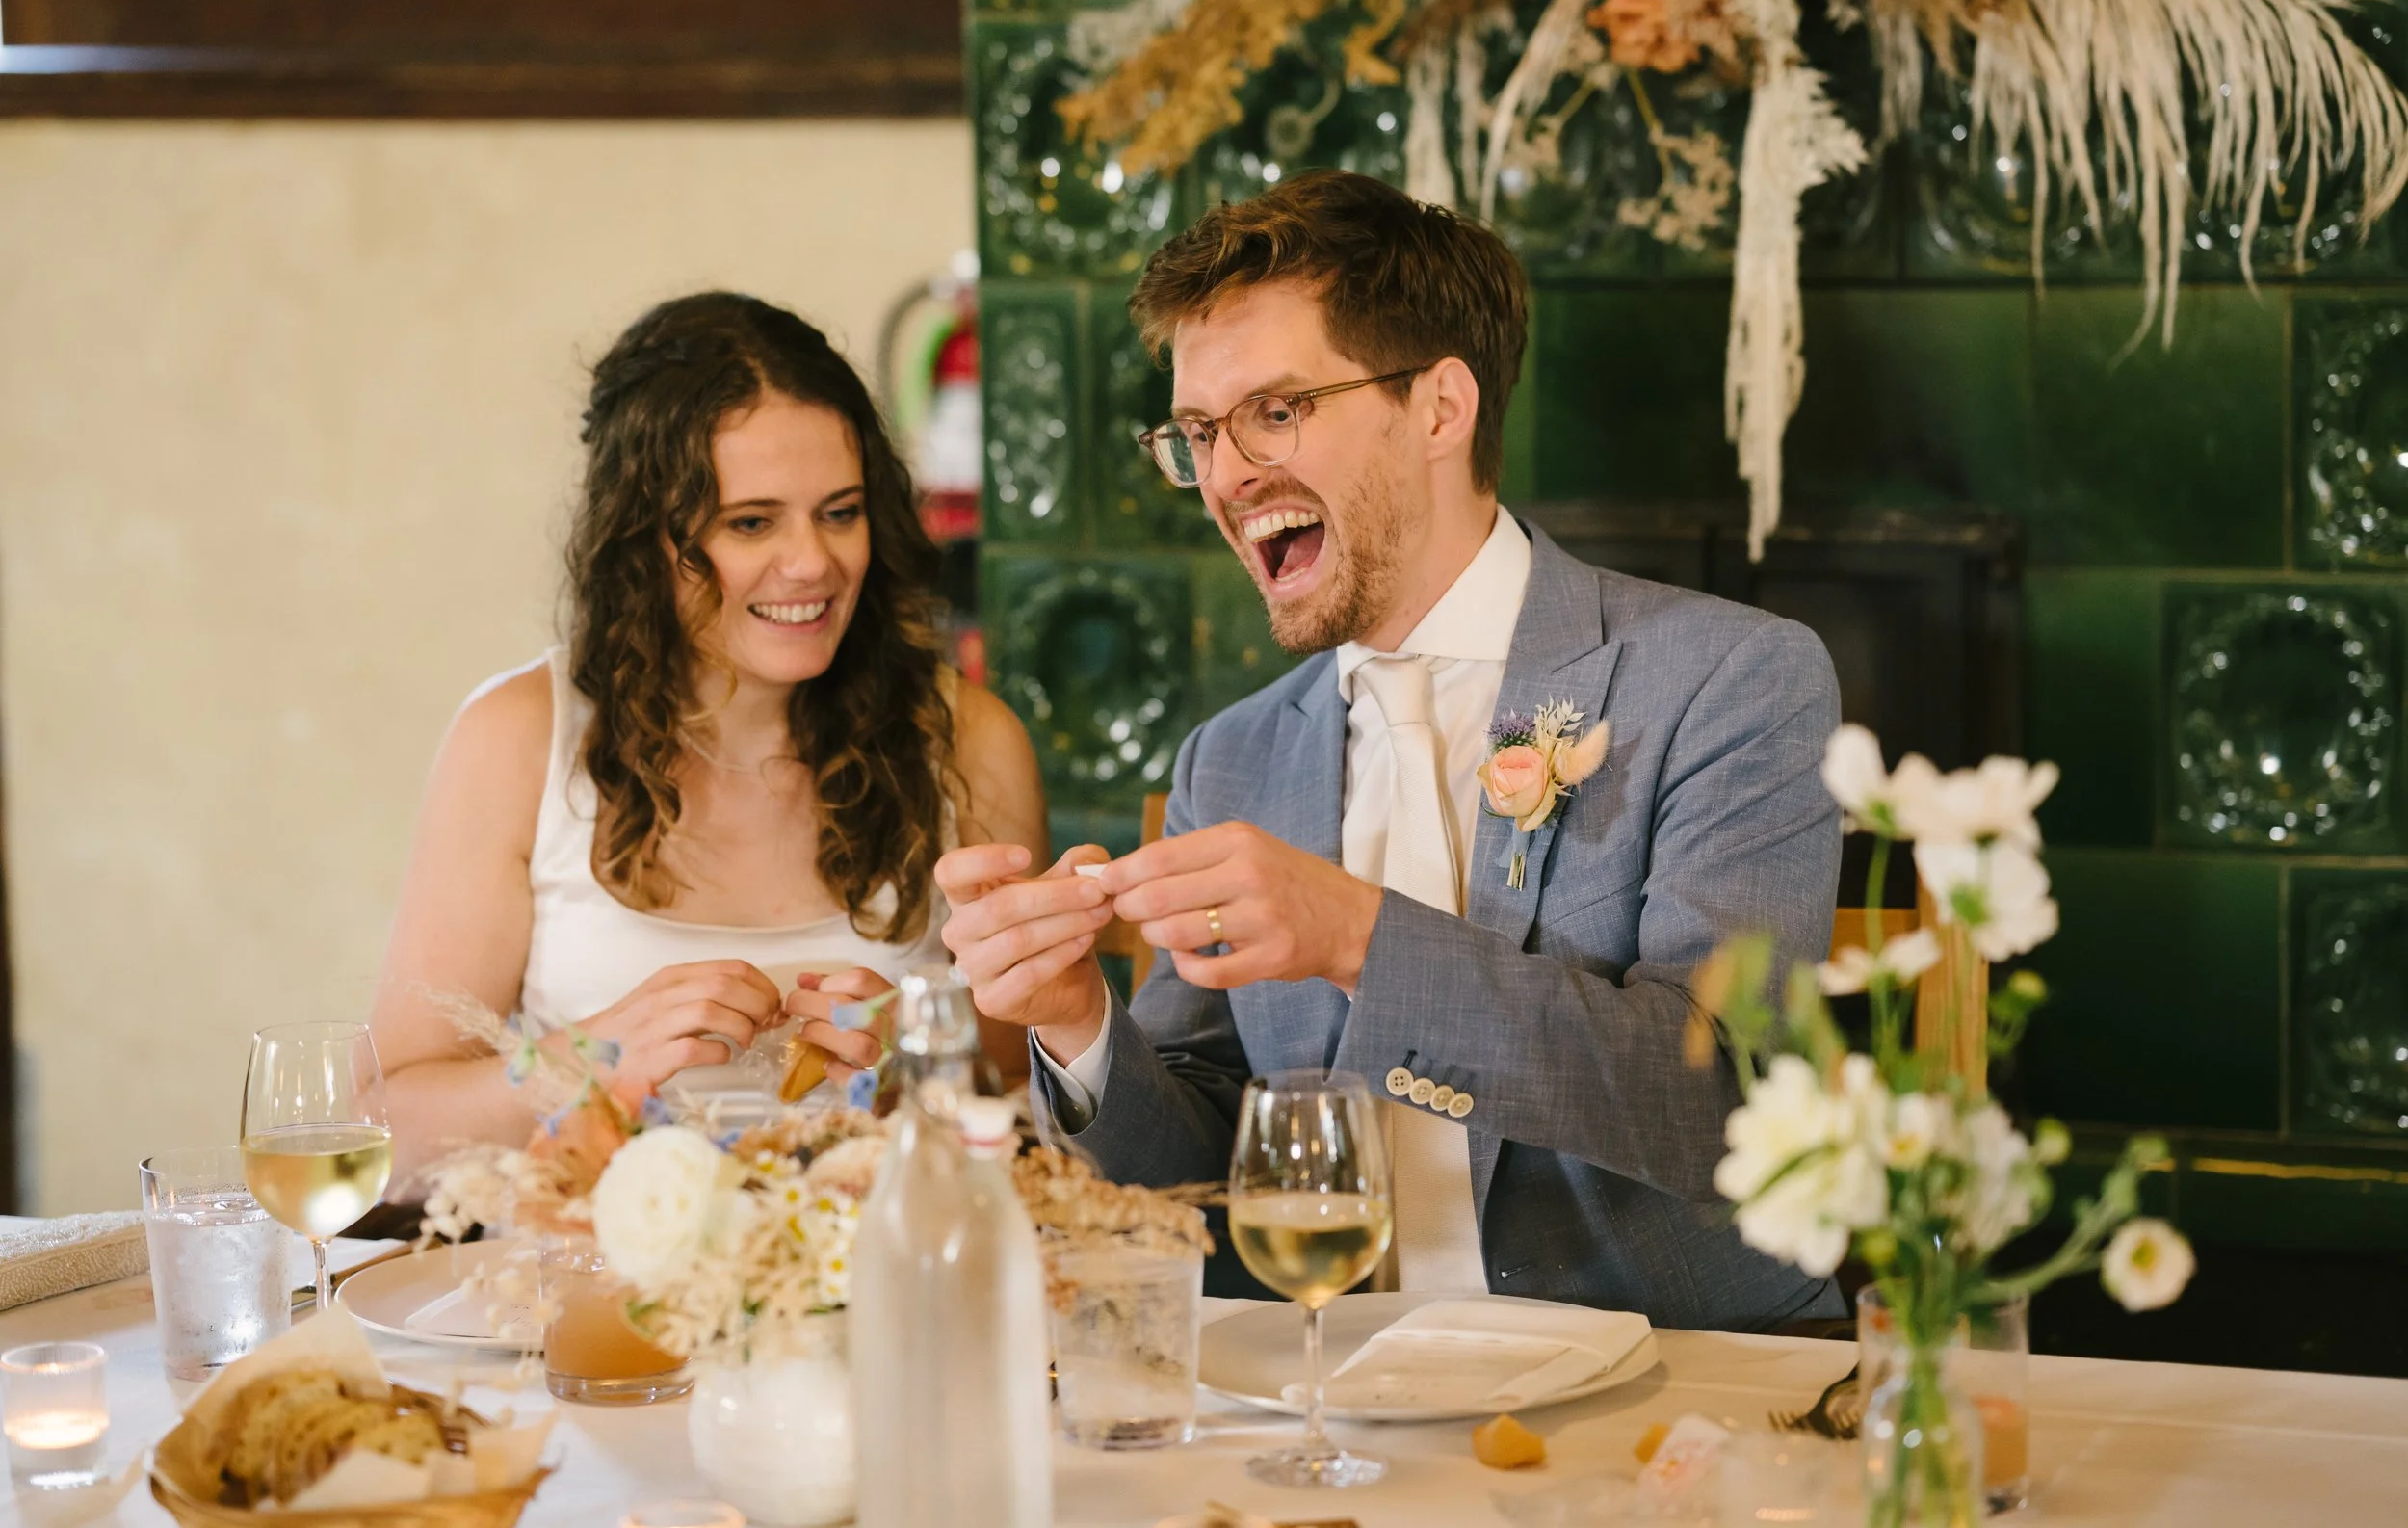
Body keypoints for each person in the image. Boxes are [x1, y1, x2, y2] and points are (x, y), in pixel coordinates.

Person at [929, 171, 1845, 1330]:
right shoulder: (1234, 755)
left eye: (1275, 411)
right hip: (1340, 1398)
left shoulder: (1728, 680)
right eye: (1199, 433)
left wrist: (1356, 934)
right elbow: (1195, 1197)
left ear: (1438, 408)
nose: (1222, 476)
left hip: (1685, 1393)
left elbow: (1723, 1101)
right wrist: (1073, 1021)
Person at [373, 292, 1039, 1180]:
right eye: (751, 522)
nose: (813, 562)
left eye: (840, 511)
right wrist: (592, 1059)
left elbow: (1035, 1082)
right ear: (642, 537)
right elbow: (385, 1123)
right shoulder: (516, 739)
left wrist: (917, 1058)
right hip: (578, 1298)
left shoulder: (967, 739)